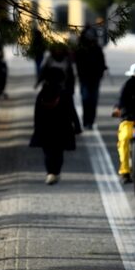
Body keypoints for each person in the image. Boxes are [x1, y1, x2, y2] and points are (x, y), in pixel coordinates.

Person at [30, 43, 82, 185]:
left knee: (48, 152)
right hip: (62, 128)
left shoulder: (42, 94)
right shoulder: (65, 94)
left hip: (46, 128)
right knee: (58, 152)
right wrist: (77, 127)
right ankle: (56, 172)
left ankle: (50, 173)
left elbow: (36, 113)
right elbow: (72, 112)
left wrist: (37, 128)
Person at [75, 25, 108, 130]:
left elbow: (102, 62)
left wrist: (102, 69)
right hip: (84, 78)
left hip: (95, 78)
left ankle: (90, 121)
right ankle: (85, 121)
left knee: (93, 100)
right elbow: (77, 62)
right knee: (85, 99)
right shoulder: (81, 48)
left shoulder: (97, 49)